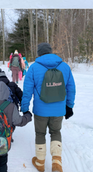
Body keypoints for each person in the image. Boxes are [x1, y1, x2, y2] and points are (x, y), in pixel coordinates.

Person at [21, 43, 76, 172]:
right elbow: (71, 88)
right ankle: (56, 163)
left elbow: (27, 91)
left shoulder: (34, 68)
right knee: (55, 132)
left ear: (39, 53)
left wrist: (25, 108)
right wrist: (69, 106)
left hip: (41, 110)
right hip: (59, 109)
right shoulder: (65, 67)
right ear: (51, 52)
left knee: (40, 133)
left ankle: (40, 162)